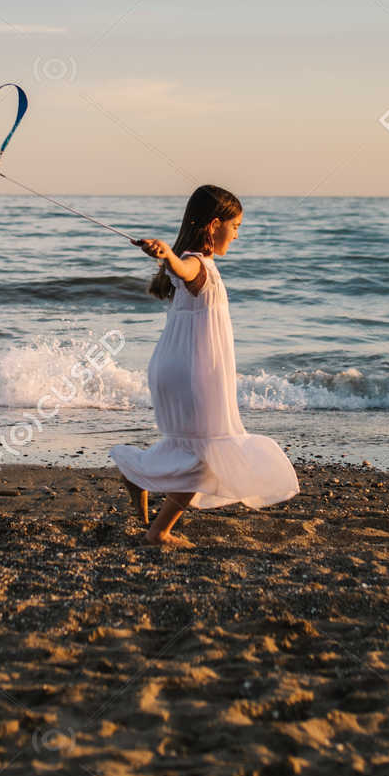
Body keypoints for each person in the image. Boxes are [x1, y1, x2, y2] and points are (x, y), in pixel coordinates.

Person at [111, 185, 299, 546]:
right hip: (193, 374)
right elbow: (184, 269)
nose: (238, 234)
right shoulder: (198, 265)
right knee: (208, 456)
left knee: (191, 448)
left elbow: (181, 268)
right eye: (236, 225)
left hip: (174, 368)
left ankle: (138, 476)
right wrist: (166, 255)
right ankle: (159, 532)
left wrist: (169, 256)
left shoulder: (199, 264)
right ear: (215, 225)